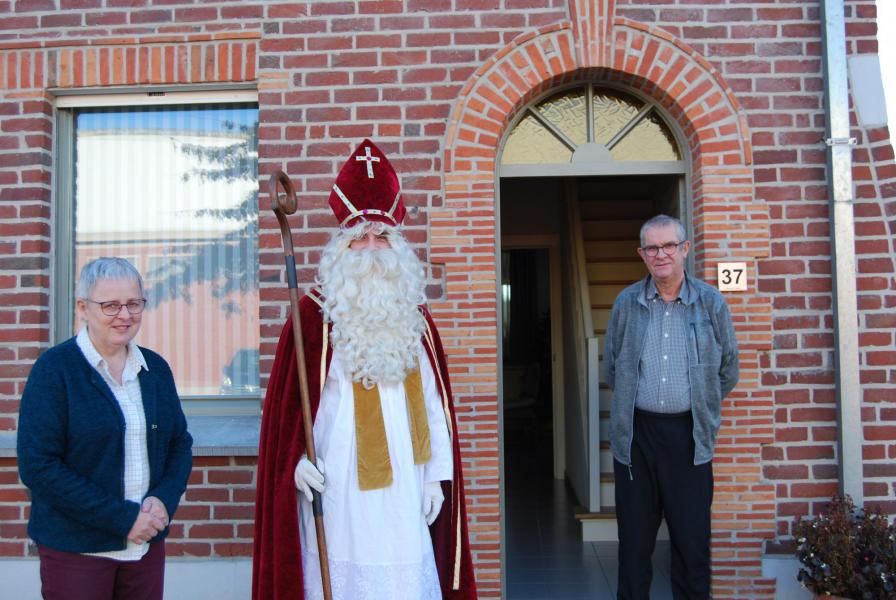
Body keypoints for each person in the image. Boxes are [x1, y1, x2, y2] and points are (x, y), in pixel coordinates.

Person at [252, 139, 477, 600]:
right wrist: (293, 463)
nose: (372, 248)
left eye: (382, 237)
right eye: (360, 238)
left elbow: (436, 406)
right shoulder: (312, 317)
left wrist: (436, 474)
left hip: (406, 483)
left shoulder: (414, 315)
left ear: (397, 246)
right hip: (338, 483)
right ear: (342, 246)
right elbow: (288, 413)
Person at [17, 257, 193, 600]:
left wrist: (163, 499)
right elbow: (39, 466)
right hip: (76, 551)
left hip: (144, 548)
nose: (124, 315)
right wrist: (124, 518)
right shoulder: (55, 371)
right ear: (83, 307)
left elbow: (179, 445)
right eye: (110, 305)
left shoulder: (154, 369)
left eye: (133, 304)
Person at [604, 215, 739, 600]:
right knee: (633, 548)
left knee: (691, 547)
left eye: (668, 246)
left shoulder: (711, 303)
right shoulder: (627, 303)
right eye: (651, 247)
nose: (660, 254)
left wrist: (702, 404)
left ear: (684, 249)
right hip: (637, 440)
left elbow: (728, 368)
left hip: (689, 439)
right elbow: (614, 367)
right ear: (642, 254)